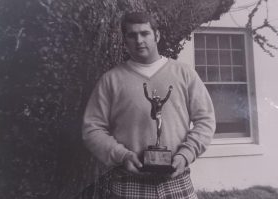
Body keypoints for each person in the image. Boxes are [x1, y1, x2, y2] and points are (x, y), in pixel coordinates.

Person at [82, 11, 216, 199]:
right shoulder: (111, 80)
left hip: (177, 184)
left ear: (157, 36)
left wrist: (185, 154)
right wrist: (122, 156)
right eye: (132, 35)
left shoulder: (184, 73)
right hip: (127, 184)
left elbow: (206, 120)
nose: (139, 40)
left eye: (144, 33)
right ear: (125, 40)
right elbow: (92, 129)